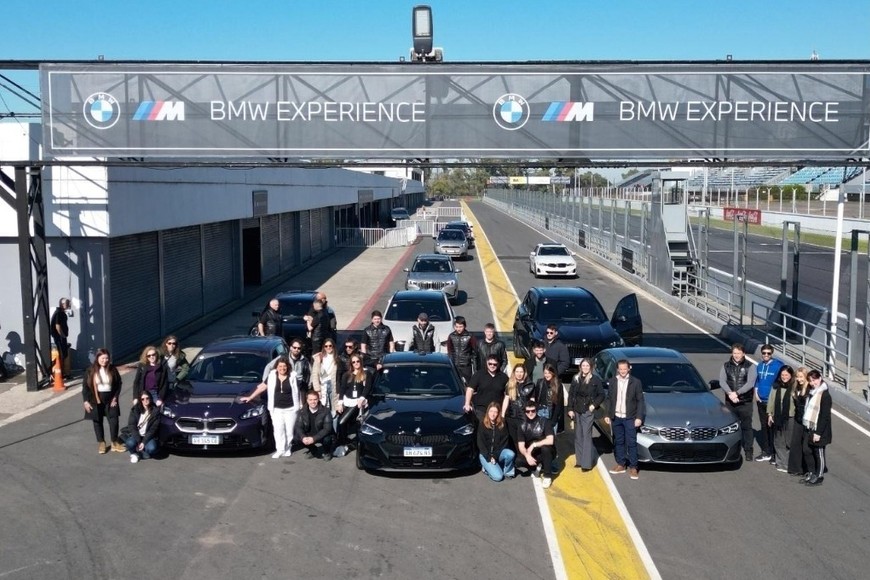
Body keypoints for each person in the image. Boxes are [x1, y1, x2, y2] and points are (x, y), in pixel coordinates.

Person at [240, 356, 302, 459]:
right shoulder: (272, 376)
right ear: (276, 367)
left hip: (290, 408)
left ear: (288, 367)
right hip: (276, 408)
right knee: (278, 430)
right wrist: (250, 397)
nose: (282, 368)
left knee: (289, 430)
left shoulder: (292, 376)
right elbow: (262, 387)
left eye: (284, 366)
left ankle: (287, 448)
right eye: (280, 366)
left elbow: (298, 391)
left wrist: (301, 404)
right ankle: (280, 449)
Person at [605, 359, 645, 480]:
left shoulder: (636, 382)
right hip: (616, 417)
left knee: (631, 442)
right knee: (619, 441)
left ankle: (633, 467)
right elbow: (609, 399)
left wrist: (639, 417)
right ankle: (621, 464)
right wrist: (607, 414)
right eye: (620, 369)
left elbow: (640, 401)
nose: (622, 371)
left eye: (624, 369)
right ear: (617, 369)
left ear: (629, 369)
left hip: (630, 418)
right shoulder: (612, 381)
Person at [718, 343, 757, 462]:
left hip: (745, 402)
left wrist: (737, 393)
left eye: (739, 353)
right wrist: (730, 393)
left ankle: (748, 450)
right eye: (734, 353)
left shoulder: (750, 366)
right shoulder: (725, 366)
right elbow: (722, 381)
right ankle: (732, 448)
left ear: (743, 353)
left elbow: (750, 383)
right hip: (730, 402)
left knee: (746, 427)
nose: (736, 355)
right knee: (730, 426)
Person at [82, 348, 124, 454]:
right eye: (102, 358)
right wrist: (86, 401)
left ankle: (114, 442)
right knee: (97, 421)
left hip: (110, 399)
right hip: (95, 399)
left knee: (114, 420)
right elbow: (85, 387)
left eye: (106, 358)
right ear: (97, 358)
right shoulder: (90, 370)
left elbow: (119, 383)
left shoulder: (112, 369)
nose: (105, 360)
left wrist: (115, 397)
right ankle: (101, 442)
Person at [567, 358, 605, 471]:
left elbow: (601, 394)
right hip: (577, 410)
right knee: (578, 436)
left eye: (587, 366)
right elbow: (571, 394)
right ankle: (579, 460)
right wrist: (570, 409)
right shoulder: (576, 378)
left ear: (591, 367)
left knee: (586, 436)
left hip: (588, 411)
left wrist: (594, 405)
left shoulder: (595, 380)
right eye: (583, 365)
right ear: (580, 367)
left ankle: (586, 464)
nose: (585, 368)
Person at [333, 354, 372, 456]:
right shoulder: (347, 374)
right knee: (340, 422)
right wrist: (340, 403)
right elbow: (342, 389)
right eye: (353, 362)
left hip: (357, 402)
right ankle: (342, 442)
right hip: (347, 401)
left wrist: (362, 398)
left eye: (357, 361)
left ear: (361, 361)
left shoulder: (366, 373)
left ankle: (343, 444)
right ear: (351, 363)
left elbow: (367, 388)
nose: (356, 364)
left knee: (342, 422)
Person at [802, 369, 832, 486]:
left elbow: (824, 416)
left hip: (820, 429)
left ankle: (819, 476)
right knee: (807, 450)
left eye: (814, 380)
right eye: (810, 381)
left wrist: (818, 432)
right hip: (810, 426)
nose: (812, 383)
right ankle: (812, 472)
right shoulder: (812, 392)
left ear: (820, 379)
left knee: (818, 452)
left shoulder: (825, 395)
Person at [754, 344, 783, 463]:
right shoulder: (760, 365)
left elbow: (782, 380)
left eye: (768, 353)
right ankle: (766, 451)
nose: (766, 355)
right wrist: (756, 392)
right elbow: (758, 380)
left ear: (772, 354)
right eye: (764, 353)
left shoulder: (778, 365)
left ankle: (775, 453)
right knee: (764, 426)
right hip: (760, 401)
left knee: (773, 427)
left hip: (771, 402)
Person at [517, 401, 556, 489]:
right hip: (533, 453)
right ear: (525, 412)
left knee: (545, 449)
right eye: (528, 411)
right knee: (518, 461)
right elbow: (521, 446)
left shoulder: (545, 421)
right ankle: (536, 467)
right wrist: (527, 456)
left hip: (547, 451)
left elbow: (550, 440)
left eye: (533, 411)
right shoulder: (522, 425)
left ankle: (547, 476)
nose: (530, 413)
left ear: (536, 410)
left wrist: (534, 445)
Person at [766, 365, 795, 473]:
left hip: (790, 417)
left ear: (791, 375)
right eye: (782, 375)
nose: (784, 377)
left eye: (786, 375)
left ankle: (788, 463)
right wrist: (770, 414)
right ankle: (780, 463)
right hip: (777, 417)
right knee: (778, 441)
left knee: (789, 441)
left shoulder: (794, 387)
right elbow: (771, 400)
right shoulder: (775, 386)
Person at [464, 355, 509, 422]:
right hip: (481, 410)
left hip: (496, 410)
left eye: (494, 364)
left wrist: (504, 412)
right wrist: (467, 403)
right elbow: (470, 389)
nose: (492, 366)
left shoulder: (504, 377)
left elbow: (507, 395)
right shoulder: (479, 375)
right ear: (486, 363)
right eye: (490, 364)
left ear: (498, 364)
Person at [477, 402, 515, 482]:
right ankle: (486, 468)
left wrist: (495, 455)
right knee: (498, 477)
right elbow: (481, 444)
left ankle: (508, 472)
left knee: (510, 454)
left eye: (495, 412)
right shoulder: (482, 425)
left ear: (498, 413)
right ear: (488, 412)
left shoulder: (502, 424)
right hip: (485, 455)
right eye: (491, 411)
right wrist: (489, 457)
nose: (493, 414)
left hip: (497, 454)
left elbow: (504, 443)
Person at [294, 389, 335, 460]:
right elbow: (298, 426)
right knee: (297, 437)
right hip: (309, 434)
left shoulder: (326, 411)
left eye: (315, 399)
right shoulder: (302, 411)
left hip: (321, 434)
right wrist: (303, 437)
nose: (313, 402)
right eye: (310, 400)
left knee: (327, 439)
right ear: (307, 400)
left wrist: (314, 438)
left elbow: (327, 429)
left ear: (318, 399)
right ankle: (313, 450)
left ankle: (327, 452)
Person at [502, 363, 534, 447]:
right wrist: (502, 415)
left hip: (523, 417)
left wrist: (531, 415)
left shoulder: (530, 385)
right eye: (517, 372)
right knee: (513, 441)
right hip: (511, 416)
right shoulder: (510, 384)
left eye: (521, 372)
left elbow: (532, 401)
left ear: (524, 373)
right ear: (514, 372)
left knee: (523, 440)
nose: (519, 374)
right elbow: (506, 399)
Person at [124, 389, 160, 463]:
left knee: (152, 448)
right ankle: (135, 452)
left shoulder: (155, 411)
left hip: (148, 436)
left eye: (147, 398)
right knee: (129, 443)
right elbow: (132, 425)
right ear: (140, 400)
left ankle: (139, 453)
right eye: (142, 399)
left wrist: (143, 442)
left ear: (150, 398)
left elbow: (153, 430)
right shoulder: (135, 410)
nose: (145, 400)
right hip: (137, 435)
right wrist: (139, 441)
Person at [787, 367, 811, 477]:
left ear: (806, 377)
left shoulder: (809, 389)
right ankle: (796, 468)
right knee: (795, 443)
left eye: (801, 377)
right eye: (797, 377)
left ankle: (808, 469)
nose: (799, 379)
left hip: (807, 420)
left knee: (806, 446)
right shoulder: (795, 387)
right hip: (798, 418)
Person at [311, 339, 342, 412]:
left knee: (334, 410)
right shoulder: (319, 358)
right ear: (324, 347)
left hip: (333, 386)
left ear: (333, 346)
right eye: (326, 346)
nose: (328, 347)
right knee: (322, 409)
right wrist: (317, 390)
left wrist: (339, 391)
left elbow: (340, 376)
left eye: (330, 346)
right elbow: (315, 374)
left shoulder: (337, 358)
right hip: (322, 386)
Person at [447, 316, 478, 383]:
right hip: (454, 365)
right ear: (454, 326)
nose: (458, 329)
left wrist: (471, 360)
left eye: (460, 327)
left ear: (464, 326)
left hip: (466, 366)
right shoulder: (451, 336)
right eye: (457, 327)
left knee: (468, 384)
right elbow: (449, 351)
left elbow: (475, 351)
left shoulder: (470, 336)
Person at [50, 297, 72, 377]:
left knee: (64, 354)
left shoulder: (62, 313)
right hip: (59, 338)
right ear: (62, 304)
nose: (69, 305)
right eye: (67, 303)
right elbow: (57, 326)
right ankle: (58, 373)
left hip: (61, 337)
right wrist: (62, 335)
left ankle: (62, 373)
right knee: (61, 354)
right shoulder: (58, 313)